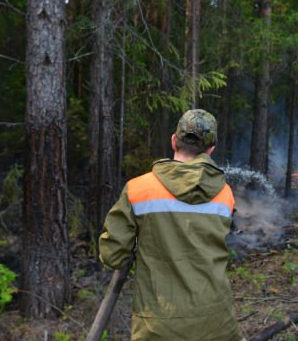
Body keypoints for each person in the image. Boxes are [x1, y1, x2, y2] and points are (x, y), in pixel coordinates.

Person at [99, 109, 242, 341]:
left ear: (174, 140)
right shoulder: (225, 194)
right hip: (217, 322)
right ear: (211, 148)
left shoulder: (138, 189)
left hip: (159, 327)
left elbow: (113, 256)